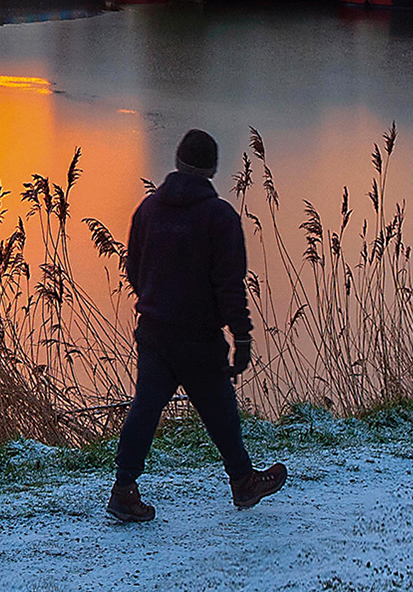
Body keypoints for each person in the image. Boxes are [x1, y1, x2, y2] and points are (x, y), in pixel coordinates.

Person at [107, 128, 286, 522]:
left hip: (153, 331)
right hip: (198, 336)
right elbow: (229, 284)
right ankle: (242, 482)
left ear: (177, 161)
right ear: (212, 168)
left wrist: (155, 301)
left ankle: (123, 489)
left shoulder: (147, 211)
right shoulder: (219, 216)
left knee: (146, 408)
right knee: (219, 406)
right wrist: (241, 335)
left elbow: (134, 269)